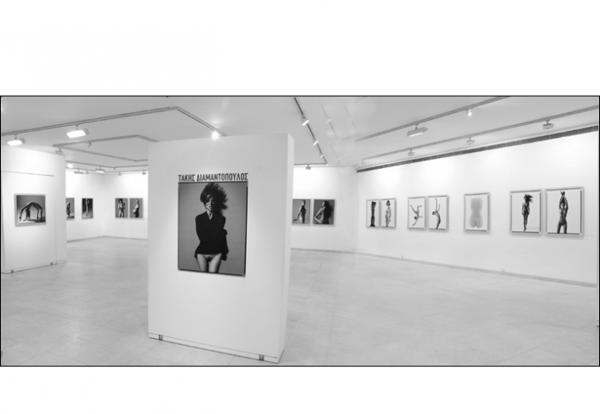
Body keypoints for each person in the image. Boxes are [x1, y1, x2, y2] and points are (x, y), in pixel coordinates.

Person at [194, 182, 229, 273]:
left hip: (216, 252)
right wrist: (222, 232)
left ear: (215, 202)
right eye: (207, 200)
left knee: (213, 277)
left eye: (212, 201)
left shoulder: (221, 219)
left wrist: (221, 233)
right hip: (202, 252)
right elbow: (203, 238)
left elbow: (215, 237)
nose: (210, 203)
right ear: (204, 201)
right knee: (203, 277)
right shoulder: (199, 218)